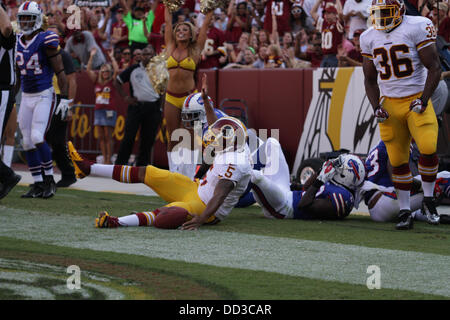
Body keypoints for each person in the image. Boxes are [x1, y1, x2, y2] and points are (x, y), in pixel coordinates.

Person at [66, 116, 253, 230]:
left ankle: (116, 222)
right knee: (148, 172)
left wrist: (202, 219)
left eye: (220, 136)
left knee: (168, 215)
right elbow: (212, 161)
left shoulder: (236, 162)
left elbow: (219, 195)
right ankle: (87, 168)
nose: (215, 138)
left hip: (205, 207)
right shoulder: (231, 149)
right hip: (196, 188)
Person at [360, 0, 442, 229]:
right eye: (379, 13)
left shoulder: (417, 26)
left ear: (400, 10)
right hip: (390, 104)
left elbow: (435, 67)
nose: (383, 18)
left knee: (427, 147)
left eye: (387, 13)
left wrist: (424, 99)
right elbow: (368, 79)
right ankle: (405, 210)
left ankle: (428, 199)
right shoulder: (368, 36)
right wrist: (376, 106)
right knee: (397, 161)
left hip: (415, 98)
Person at [16, 1, 70, 198]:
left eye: (29, 18)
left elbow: (61, 71)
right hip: (27, 96)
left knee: (38, 137)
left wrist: (64, 98)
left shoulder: (45, 39)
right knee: (27, 142)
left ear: (38, 19)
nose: (26, 22)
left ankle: (49, 180)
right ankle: (37, 183)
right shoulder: (17, 41)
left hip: (44, 95)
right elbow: (16, 74)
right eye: (22, 18)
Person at [251, 145, 365, 220]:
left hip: (284, 208)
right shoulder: (342, 186)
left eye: (338, 166)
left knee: (255, 176)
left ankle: (235, 187)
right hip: (287, 195)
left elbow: (303, 205)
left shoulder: (342, 198)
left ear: (344, 175)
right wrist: (321, 171)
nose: (334, 166)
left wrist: (321, 180)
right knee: (272, 143)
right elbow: (306, 188)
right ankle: (239, 167)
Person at [163, 6, 213, 173]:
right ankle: (173, 171)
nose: (181, 31)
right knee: (172, 136)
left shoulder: (194, 49)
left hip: (188, 99)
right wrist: (167, 4)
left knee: (189, 137)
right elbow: (168, 22)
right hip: (170, 97)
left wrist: (211, 9)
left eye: (185, 29)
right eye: (179, 29)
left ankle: (189, 174)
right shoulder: (170, 46)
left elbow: (205, 27)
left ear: (191, 34)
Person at [363, 140, 447, 224]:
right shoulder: (399, 140)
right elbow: (396, 176)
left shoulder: (382, 143)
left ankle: (431, 216)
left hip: (375, 207)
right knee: (445, 177)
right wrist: (424, 187)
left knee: (412, 196)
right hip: (385, 199)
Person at [113, 45, 162, 166]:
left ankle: (142, 167)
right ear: (141, 56)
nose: (147, 56)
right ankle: (120, 165)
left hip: (153, 108)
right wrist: (125, 97)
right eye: (144, 54)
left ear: (154, 56)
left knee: (148, 139)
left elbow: (164, 91)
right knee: (129, 136)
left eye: (149, 54)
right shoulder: (133, 69)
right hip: (136, 106)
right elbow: (117, 81)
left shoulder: (159, 71)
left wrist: (161, 108)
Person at [45, 24, 78, 188]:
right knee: (45, 138)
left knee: (57, 140)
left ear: (60, 37)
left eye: (53, 33)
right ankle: (46, 175)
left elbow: (72, 80)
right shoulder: (44, 53)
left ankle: (68, 173)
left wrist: (69, 104)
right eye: (47, 32)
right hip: (46, 97)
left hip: (60, 99)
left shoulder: (63, 54)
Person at [0, 2, 21, 199]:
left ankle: (7, 176)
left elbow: (6, 27)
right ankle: (6, 175)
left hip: (2, 89)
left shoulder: (7, 34)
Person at [87, 47, 119, 165]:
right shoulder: (96, 81)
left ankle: (108, 160)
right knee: (101, 137)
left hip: (109, 111)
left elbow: (116, 70)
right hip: (99, 111)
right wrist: (91, 56)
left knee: (108, 136)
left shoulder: (112, 82)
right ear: (100, 72)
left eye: (107, 71)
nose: (105, 73)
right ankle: (104, 158)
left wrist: (112, 57)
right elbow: (88, 70)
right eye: (103, 71)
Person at [311, 2, 345, 68]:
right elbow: (312, 12)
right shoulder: (324, 24)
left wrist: (337, 1)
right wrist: (319, 1)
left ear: (335, 15)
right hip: (324, 56)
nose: (326, 15)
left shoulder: (337, 24)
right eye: (325, 13)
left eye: (329, 13)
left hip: (334, 56)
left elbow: (340, 13)